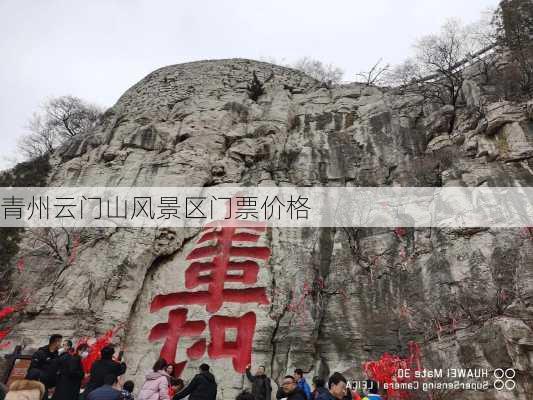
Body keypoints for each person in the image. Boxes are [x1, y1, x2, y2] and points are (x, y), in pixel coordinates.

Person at [26, 334, 63, 399]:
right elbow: (32, 369)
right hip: (35, 385)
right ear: (56, 342)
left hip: (46, 386)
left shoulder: (56, 356)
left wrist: (53, 384)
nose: (61, 344)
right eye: (60, 342)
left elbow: (54, 371)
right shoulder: (41, 352)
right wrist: (41, 378)